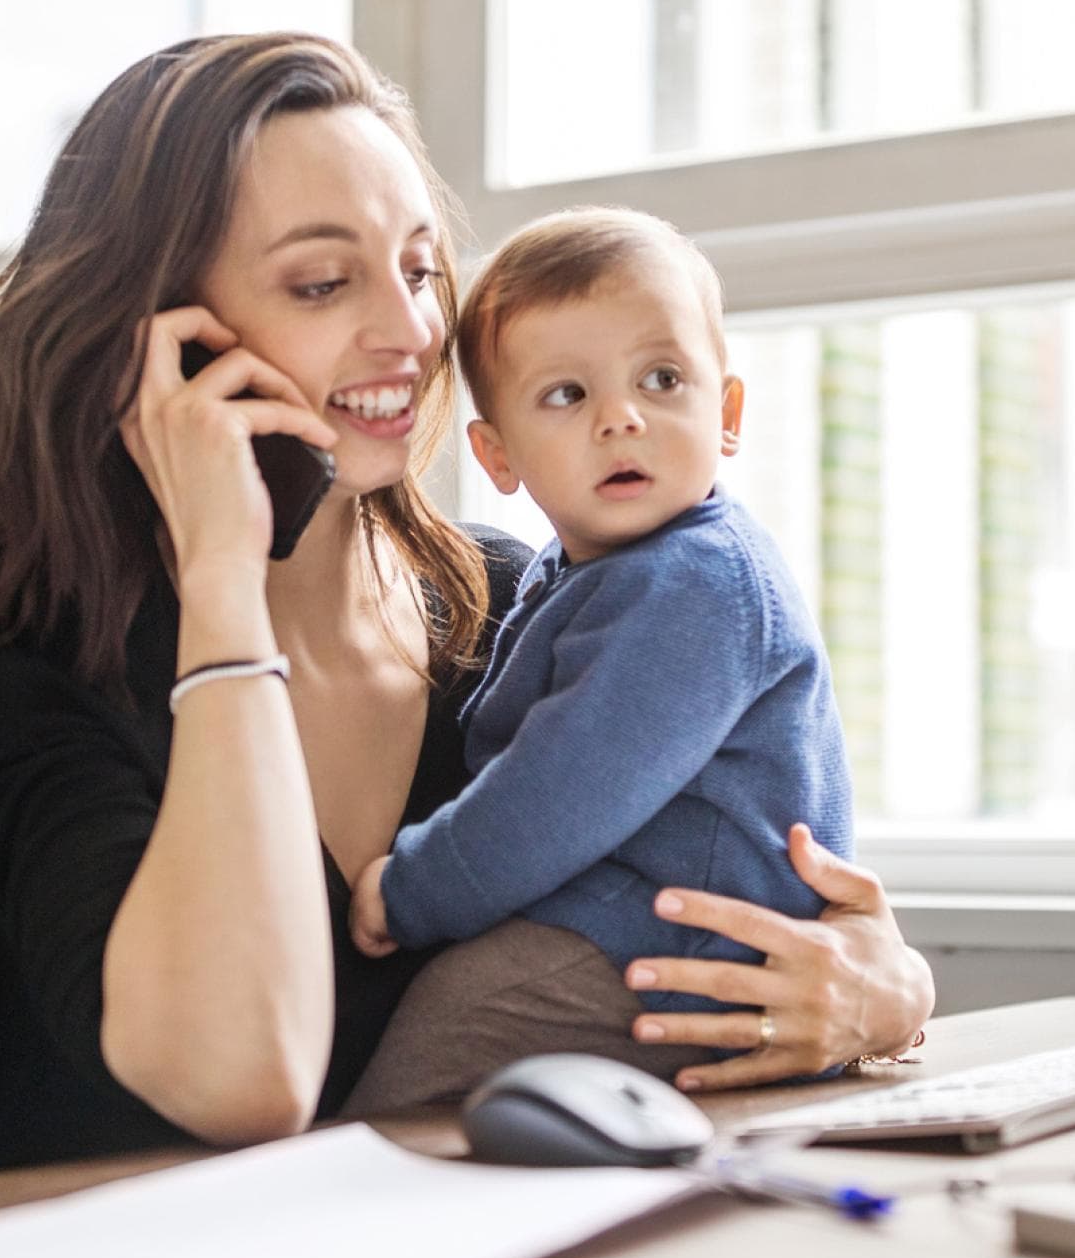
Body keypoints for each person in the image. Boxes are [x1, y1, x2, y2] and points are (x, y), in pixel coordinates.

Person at [0, 32, 932, 1185]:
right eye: (322, 282)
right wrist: (222, 578)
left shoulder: (510, 609)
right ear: (161, 342)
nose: (414, 334)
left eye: (417, 269)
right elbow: (244, 1081)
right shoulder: (24, 665)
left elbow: (754, 884)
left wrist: (880, 987)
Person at [343, 207, 853, 1105]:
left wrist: (411, 892)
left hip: (681, 946)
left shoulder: (695, 584)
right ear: (498, 455)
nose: (621, 419)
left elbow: (557, 792)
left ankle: (339, 1205)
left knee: (437, 1044)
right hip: (635, 925)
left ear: (727, 412)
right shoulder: (579, 570)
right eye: (566, 396)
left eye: (662, 379)